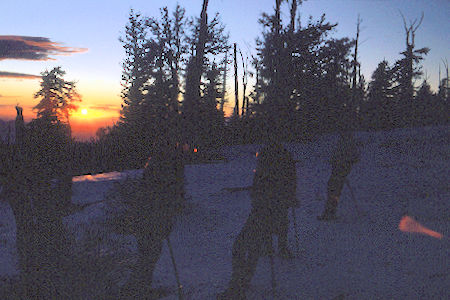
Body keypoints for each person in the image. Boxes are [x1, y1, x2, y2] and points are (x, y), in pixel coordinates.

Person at [218, 139, 297, 300]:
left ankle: (238, 287)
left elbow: (277, 183)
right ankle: (242, 283)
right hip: (265, 208)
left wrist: (273, 198)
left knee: (241, 245)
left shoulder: (274, 157)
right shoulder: (279, 156)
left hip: (267, 209)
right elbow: (282, 182)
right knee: (252, 246)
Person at [120, 140, 185, 298]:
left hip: (148, 218)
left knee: (149, 255)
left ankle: (139, 288)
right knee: (149, 255)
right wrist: (163, 219)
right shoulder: (161, 167)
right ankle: (136, 290)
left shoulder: (157, 165)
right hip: (149, 219)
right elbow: (159, 197)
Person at [317, 131, 360, 221]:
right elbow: (336, 156)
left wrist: (345, 163)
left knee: (334, 192)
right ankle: (329, 212)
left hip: (341, 171)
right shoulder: (343, 142)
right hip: (337, 170)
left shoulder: (348, 144)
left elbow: (354, 158)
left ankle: (330, 213)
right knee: (332, 191)